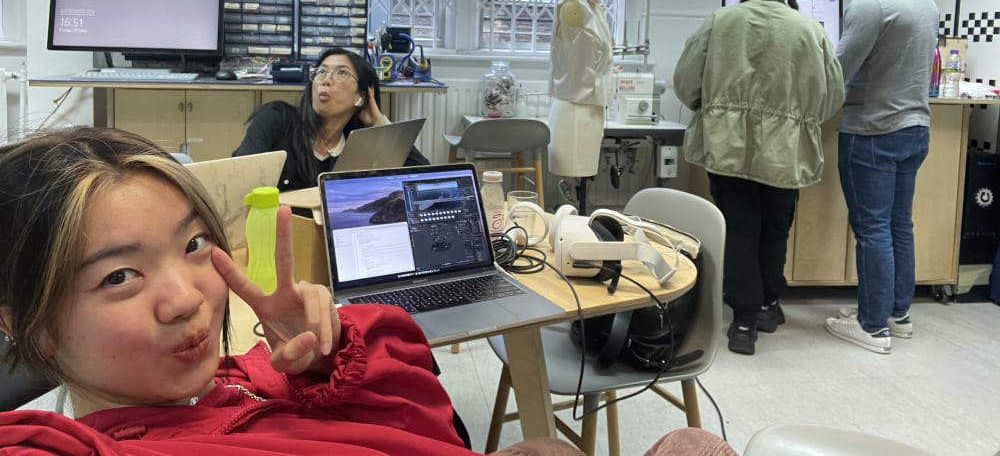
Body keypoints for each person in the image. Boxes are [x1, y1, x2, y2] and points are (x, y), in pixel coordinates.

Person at [0, 126, 737, 456]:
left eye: (194, 245)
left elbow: (427, 429)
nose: (187, 298)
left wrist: (330, 363)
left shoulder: (257, 377)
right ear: (25, 326)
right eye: (119, 276)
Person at [674, 0, 844, 355]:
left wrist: (714, 108)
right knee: (775, 228)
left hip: (726, 144)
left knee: (739, 229)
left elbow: (686, 82)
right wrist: (797, 119)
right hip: (785, 152)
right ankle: (768, 304)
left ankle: (743, 322)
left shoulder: (721, 21)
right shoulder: (810, 29)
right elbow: (831, 96)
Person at [823, 0, 939, 355]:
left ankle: (871, 327)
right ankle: (897, 315)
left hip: (873, 130)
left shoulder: (870, 6)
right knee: (897, 225)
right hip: (914, 129)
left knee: (872, 230)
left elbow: (838, 71)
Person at [233, 47, 429, 190]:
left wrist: (379, 125)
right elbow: (239, 175)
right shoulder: (277, 119)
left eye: (341, 73)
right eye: (321, 71)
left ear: (361, 95)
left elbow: (423, 175)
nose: (326, 80)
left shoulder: (359, 149)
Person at [547, 0, 615, 187]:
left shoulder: (594, 6)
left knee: (585, 181)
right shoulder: (573, 4)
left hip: (591, 110)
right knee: (575, 183)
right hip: (573, 110)